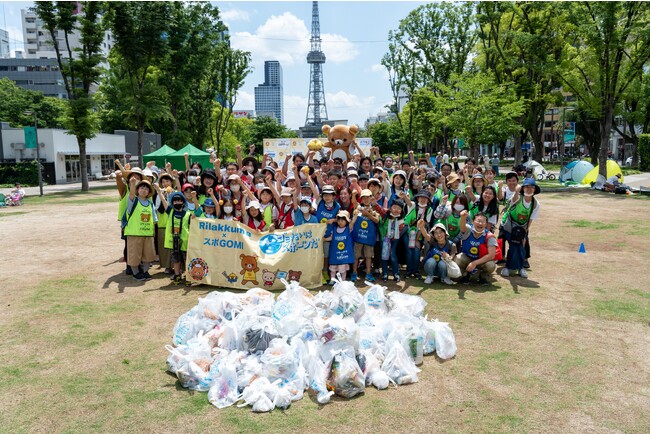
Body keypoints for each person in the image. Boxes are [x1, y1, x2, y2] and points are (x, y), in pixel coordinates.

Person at [500, 178, 541, 278]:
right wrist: (516, 191)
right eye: (527, 187)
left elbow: (530, 219)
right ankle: (507, 267)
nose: (529, 189)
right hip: (509, 224)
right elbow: (513, 201)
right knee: (514, 245)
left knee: (521, 247)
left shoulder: (535, 204)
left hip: (522, 227)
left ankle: (520, 268)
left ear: (535, 189)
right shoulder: (518, 196)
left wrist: (524, 234)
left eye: (532, 187)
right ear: (523, 188)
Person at [123, 177, 157, 281]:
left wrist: (153, 232)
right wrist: (133, 184)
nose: (144, 190)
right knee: (134, 254)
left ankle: (145, 271)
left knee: (148, 254)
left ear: (149, 192)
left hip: (147, 234)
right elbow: (131, 195)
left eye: (146, 188)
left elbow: (154, 220)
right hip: (135, 233)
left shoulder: (150, 204)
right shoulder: (133, 201)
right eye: (141, 188)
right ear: (137, 190)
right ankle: (136, 273)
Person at [454, 210, 497, 285]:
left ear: (486, 224)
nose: (480, 223)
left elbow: (491, 255)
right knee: (458, 258)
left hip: (481, 261)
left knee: (491, 265)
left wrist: (474, 263)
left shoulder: (489, 236)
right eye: (478, 221)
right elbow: (462, 227)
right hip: (467, 258)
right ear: (473, 221)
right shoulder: (468, 230)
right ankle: (465, 275)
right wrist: (463, 217)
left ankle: (482, 276)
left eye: (483, 222)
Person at [378, 199, 415, 282]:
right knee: (384, 255)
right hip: (385, 239)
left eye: (399, 208)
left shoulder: (401, 221)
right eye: (394, 207)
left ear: (401, 211)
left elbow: (400, 231)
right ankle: (385, 273)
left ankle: (396, 273)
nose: (396, 210)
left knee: (392, 255)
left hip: (394, 240)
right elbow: (379, 209)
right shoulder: (385, 215)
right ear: (390, 208)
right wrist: (374, 203)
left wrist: (393, 237)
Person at [350, 189, 380, 282]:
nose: (366, 200)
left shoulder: (374, 209)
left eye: (368, 197)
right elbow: (354, 202)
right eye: (364, 198)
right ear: (361, 199)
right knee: (356, 256)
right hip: (358, 237)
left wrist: (368, 215)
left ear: (371, 198)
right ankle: (354, 273)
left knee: (368, 256)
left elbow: (377, 220)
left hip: (369, 238)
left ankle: (368, 273)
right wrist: (353, 194)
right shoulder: (358, 208)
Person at [164, 192, 191, 285]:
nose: (177, 203)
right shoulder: (170, 211)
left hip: (185, 241)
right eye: (175, 201)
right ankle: (177, 275)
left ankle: (188, 277)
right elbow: (164, 201)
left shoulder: (188, 214)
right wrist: (159, 191)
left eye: (179, 201)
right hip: (174, 241)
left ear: (183, 202)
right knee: (176, 260)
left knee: (187, 260)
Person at [418, 221, 457, 285]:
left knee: (442, 263)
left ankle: (444, 277)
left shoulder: (451, 245)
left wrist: (447, 257)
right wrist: (422, 227)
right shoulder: (433, 242)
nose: (439, 235)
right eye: (436, 233)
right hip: (429, 267)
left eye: (441, 232)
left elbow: (452, 257)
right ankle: (430, 276)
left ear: (445, 233)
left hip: (444, 269)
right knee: (431, 261)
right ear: (433, 235)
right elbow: (426, 235)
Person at [323, 210, 354, 284]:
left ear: (346, 221)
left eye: (343, 220)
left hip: (343, 254)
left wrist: (356, 214)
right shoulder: (334, 228)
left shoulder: (348, 229)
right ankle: (333, 279)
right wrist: (324, 239)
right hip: (335, 253)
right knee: (333, 267)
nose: (340, 222)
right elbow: (331, 238)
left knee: (343, 267)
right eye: (339, 220)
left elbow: (352, 222)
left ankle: (343, 281)